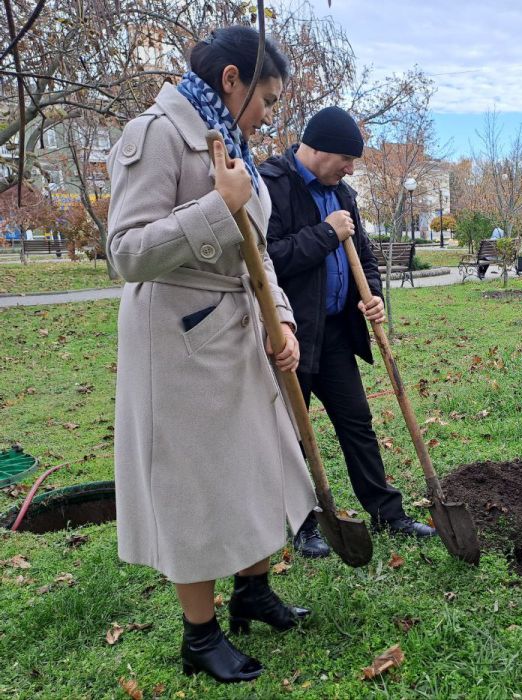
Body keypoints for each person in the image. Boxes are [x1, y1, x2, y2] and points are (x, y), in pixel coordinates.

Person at [106, 27, 316, 683]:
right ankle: (200, 636)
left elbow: (256, 249)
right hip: (179, 341)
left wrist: (282, 318)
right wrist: (215, 206)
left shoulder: (235, 144)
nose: (269, 114)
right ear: (231, 80)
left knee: (256, 467)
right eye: (267, 99)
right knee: (193, 484)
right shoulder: (156, 135)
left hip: (240, 330)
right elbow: (126, 253)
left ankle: (253, 591)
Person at [258, 107, 435, 558]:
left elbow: (364, 256)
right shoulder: (272, 185)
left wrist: (370, 294)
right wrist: (325, 233)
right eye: (346, 159)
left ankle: (387, 513)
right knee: (294, 433)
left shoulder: (342, 194)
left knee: (357, 421)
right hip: (291, 335)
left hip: (336, 331)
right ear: (319, 150)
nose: (351, 169)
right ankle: (303, 524)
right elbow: (266, 260)